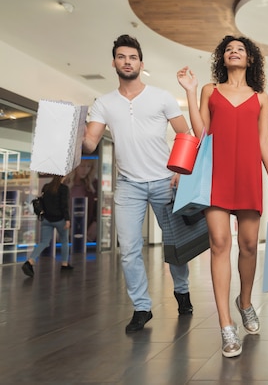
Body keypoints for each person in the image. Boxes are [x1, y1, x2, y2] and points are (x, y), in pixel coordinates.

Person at [177, 35, 268, 358]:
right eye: (229, 49)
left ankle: (244, 301)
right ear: (222, 59)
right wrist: (189, 90)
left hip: (249, 175)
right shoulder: (210, 91)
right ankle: (226, 326)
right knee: (220, 243)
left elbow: (264, 140)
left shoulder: (261, 97)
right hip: (216, 175)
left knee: (250, 245)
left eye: (240, 49)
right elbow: (202, 132)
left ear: (250, 59)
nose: (234, 52)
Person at [83, 34, 194, 334]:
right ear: (114, 62)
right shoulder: (103, 103)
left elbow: (186, 135)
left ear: (141, 64)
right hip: (128, 185)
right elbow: (90, 143)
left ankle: (181, 291)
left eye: (132, 57)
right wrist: (67, 135)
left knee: (175, 246)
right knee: (129, 249)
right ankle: (142, 307)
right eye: (122, 56)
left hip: (164, 181)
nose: (127, 61)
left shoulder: (161, 97)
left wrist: (181, 171)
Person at [21, 175, 72, 277]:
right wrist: (67, 219)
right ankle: (64, 264)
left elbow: (43, 202)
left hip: (46, 220)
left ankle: (30, 261)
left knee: (44, 242)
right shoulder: (64, 188)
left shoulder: (46, 187)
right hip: (60, 219)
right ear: (63, 176)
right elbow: (64, 205)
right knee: (64, 241)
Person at [65, 159, 98, 242]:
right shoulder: (65, 184)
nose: (85, 170)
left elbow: (98, 208)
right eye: (82, 166)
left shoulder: (94, 185)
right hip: (67, 231)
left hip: (89, 233)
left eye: (88, 166)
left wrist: (95, 225)